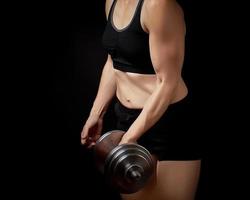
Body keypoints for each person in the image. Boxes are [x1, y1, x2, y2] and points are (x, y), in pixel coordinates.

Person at [81, 0, 202, 199]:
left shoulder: (159, 6)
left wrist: (129, 138)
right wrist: (96, 114)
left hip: (168, 123)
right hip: (127, 120)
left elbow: (167, 82)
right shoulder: (112, 2)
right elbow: (114, 61)